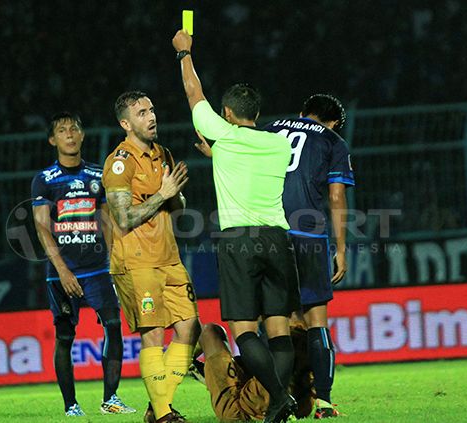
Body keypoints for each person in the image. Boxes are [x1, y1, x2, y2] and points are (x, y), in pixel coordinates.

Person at [195, 94, 354, 418]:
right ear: (334, 122)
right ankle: (320, 399)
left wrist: (215, 153)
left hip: (268, 230)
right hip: (307, 232)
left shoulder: (270, 129)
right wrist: (340, 247)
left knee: (262, 323)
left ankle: (269, 394)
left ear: (301, 112)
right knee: (313, 321)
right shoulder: (333, 141)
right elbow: (336, 195)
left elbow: (244, 161)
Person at [173, 30, 301, 423]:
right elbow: (247, 158)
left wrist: (184, 54)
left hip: (239, 240)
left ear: (227, 114)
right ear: (256, 115)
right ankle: (277, 400)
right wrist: (219, 153)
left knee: (244, 331)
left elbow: (195, 94)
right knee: (279, 331)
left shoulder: (224, 136)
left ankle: (278, 398)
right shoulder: (279, 144)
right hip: (278, 239)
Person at [102, 91, 201, 423]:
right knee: (153, 333)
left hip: (169, 256)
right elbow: (123, 218)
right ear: (125, 123)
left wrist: (176, 197)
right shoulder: (119, 162)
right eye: (142, 112)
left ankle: (158, 404)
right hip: (136, 260)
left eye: (152, 109)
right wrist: (162, 194)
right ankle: (162, 414)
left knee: (189, 327)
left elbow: (177, 207)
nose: (152, 116)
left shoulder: (164, 154)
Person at [31, 112, 135, 417]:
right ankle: (70, 405)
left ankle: (111, 399)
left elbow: (107, 220)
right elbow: (41, 227)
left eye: (74, 128)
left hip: (98, 269)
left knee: (113, 327)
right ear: (53, 140)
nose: (70, 134)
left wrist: (114, 258)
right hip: (62, 273)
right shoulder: (45, 180)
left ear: (82, 134)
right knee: (65, 336)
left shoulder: (96, 174)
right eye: (62, 130)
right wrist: (62, 270)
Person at [190, 322, 315, 422]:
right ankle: (209, 371)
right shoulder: (297, 331)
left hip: (243, 411)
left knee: (209, 332)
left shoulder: (268, 330)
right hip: (301, 405)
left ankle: (185, 363)